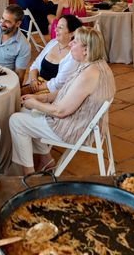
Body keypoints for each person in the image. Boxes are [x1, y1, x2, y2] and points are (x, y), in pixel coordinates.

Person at [9, 27, 115, 174]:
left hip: (74, 128)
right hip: (84, 121)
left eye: (75, 42)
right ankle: (46, 159)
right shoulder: (96, 64)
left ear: (86, 49)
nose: (70, 44)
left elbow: (60, 112)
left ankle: (29, 174)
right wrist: (40, 97)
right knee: (25, 110)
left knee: (16, 120)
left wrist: (35, 104)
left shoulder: (89, 74)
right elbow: (67, 90)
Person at [22, 15, 82, 96]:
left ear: (72, 33)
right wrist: (33, 80)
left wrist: (31, 89)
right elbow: (35, 65)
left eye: (60, 27)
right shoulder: (53, 43)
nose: (56, 29)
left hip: (51, 93)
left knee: (18, 99)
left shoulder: (73, 54)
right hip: (36, 84)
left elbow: (58, 83)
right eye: (57, 26)